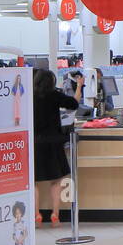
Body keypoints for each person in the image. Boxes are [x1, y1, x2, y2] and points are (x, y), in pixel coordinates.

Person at [33, 68, 80, 227]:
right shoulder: (55, 95)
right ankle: (55, 215)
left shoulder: (29, 96)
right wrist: (79, 86)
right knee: (56, 180)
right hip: (54, 141)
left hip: (35, 142)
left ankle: (36, 215)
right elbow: (73, 104)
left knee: (34, 182)